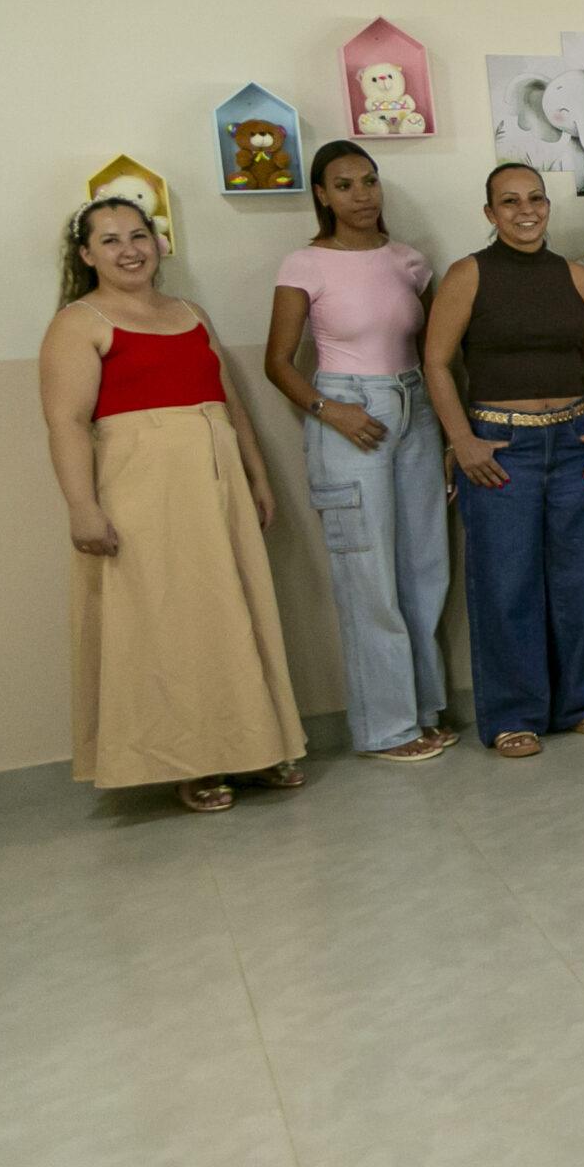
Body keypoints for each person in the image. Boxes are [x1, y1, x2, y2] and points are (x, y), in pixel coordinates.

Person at [42, 198, 309, 811]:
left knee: (233, 612)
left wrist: (257, 475)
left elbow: (229, 403)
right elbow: (66, 422)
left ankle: (254, 748)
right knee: (169, 623)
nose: (129, 250)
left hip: (215, 484)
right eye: (110, 240)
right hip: (142, 490)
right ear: (86, 255)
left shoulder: (190, 313)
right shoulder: (78, 323)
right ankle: (193, 761)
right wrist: (82, 507)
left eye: (139, 235)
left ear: (158, 243)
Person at [424, 164, 584, 758]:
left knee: (577, 580)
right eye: (509, 202)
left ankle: (580, 703)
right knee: (506, 583)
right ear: (490, 213)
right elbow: (436, 363)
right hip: (499, 447)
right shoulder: (468, 274)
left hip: (573, 444)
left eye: (535, 198)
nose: (526, 210)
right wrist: (462, 441)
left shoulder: (576, 276)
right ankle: (513, 715)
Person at [262, 142, 451, 760]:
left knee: (424, 569)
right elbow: (277, 362)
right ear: (322, 195)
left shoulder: (409, 261)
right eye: (344, 185)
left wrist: (452, 431)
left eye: (369, 181)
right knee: (368, 575)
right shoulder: (304, 263)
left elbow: (438, 352)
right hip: (348, 413)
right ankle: (385, 728)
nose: (361, 195)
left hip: (416, 407)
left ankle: (424, 711)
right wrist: (330, 409)